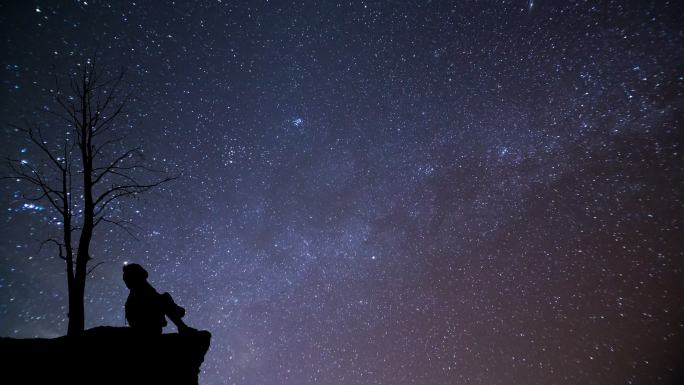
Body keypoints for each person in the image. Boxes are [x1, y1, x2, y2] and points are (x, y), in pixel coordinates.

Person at [122, 263, 195, 334]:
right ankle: (182, 326)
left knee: (164, 299)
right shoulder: (142, 292)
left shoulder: (139, 292)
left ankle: (181, 324)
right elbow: (160, 301)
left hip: (144, 324)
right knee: (164, 299)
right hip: (147, 326)